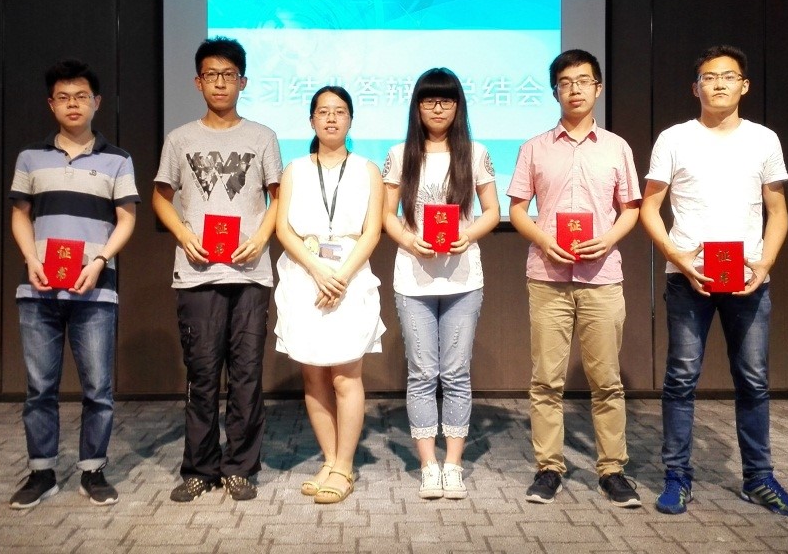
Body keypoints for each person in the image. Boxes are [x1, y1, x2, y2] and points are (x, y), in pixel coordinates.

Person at [640, 44, 788, 517]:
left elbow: (777, 211)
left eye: (728, 76)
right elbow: (650, 206)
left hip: (748, 279)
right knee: (681, 378)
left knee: (753, 380)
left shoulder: (764, 140)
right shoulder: (674, 138)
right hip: (687, 277)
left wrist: (765, 263)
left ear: (744, 86)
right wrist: (674, 254)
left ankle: (759, 478)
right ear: (695, 88)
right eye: (709, 77)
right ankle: (677, 477)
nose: (718, 84)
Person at [505, 49, 643, 507]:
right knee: (546, 380)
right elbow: (517, 210)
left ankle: (612, 471)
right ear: (555, 92)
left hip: (602, 276)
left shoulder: (617, 147)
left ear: (598, 88)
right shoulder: (534, 148)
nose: (575, 89)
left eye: (583, 81)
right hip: (548, 276)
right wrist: (544, 240)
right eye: (565, 83)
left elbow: (631, 209)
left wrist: (608, 239)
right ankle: (549, 468)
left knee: (607, 381)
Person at [151, 37, 282, 503]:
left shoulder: (263, 137)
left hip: (249, 274)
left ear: (243, 82)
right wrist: (183, 235)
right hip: (198, 273)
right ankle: (199, 468)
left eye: (229, 75)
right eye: (212, 75)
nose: (220, 83)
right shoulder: (180, 139)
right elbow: (160, 198)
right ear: (198, 82)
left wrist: (261, 238)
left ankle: (240, 467)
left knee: (246, 375)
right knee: (202, 374)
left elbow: (279, 197)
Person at [7, 59, 140, 509]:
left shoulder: (117, 159)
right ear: (51, 104)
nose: (73, 104)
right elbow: (20, 214)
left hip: (95, 289)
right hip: (39, 288)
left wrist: (100, 260)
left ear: (96, 102)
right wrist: (31, 258)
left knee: (98, 388)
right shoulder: (30, 157)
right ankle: (41, 471)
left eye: (81, 96)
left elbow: (126, 219)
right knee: (39, 387)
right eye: (63, 97)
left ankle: (93, 470)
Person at [381, 68, 499, 500]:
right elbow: (386, 214)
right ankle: (428, 465)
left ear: (457, 106)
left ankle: (453, 465)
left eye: (446, 100)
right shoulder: (399, 154)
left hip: (463, 278)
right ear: (417, 106)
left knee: (456, 373)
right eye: (429, 100)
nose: (437, 108)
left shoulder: (475, 153)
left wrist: (469, 234)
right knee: (422, 373)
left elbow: (492, 210)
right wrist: (409, 241)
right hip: (413, 280)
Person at [273, 86, 385, 505]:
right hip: (305, 276)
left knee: (345, 375)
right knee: (314, 374)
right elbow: (283, 229)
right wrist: (318, 270)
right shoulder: (295, 170)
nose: (332, 118)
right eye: (323, 112)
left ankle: (344, 465)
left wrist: (340, 275)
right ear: (312, 120)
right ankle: (330, 459)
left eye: (339, 112)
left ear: (350, 120)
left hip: (350, 279)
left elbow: (372, 231)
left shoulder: (367, 170)